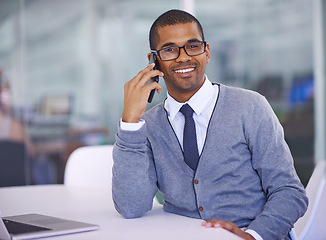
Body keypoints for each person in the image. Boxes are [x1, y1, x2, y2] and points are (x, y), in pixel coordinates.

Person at [112, 9, 308, 240]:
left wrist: (253, 235)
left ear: (207, 52)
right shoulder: (148, 126)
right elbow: (131, 206)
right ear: (154, 61)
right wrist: (130, 122)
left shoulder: (251, 107)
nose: (183, 57)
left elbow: (290, 192)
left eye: (192, 46)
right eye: (169, 50)